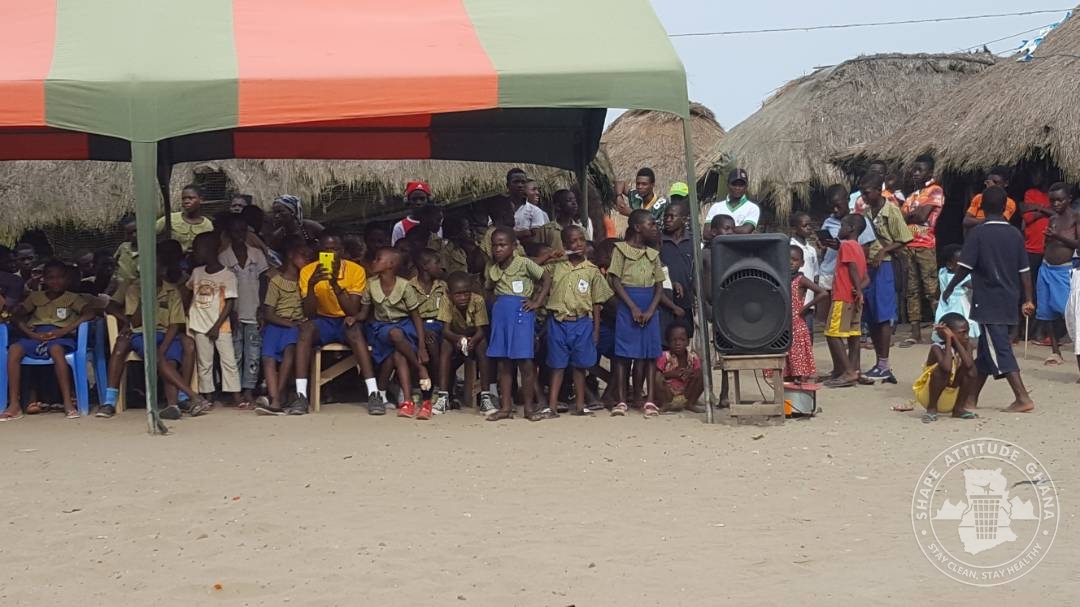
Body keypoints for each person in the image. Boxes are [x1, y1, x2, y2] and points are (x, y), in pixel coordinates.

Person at [942, 185, 1035, 413]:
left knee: (999, 348)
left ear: (982, 207)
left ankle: (1022, 397)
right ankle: (970, 399)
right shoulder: (1015, 234)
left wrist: (950, 287)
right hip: (1009, 298)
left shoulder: (979, 233)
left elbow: (965, 267)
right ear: (1005, 207)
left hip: (988, 300)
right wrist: (1028, 299)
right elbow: (1024, 270)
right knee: (985, 352)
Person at [99, 251, 208, 420]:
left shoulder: (172, 291)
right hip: (141, 334)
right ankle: (193, 396)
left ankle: (177, 402)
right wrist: (145, 297)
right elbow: (135, 323)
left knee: (169, 357)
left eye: (153, 266)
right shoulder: (134, 289)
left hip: (166, 334)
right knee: (154, 355)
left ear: (162, 269)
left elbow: (175, 324)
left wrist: (163, 348)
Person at [295, 232, 381, 414]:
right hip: (322, 321)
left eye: (334, 249)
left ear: (342, 251)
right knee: (305, 330)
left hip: (345, 320)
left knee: (355, 330)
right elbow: (309, 313)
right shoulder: (308, 271)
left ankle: (373, 393)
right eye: (326, 250)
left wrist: (334, 284)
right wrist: (311, 285)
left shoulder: (355, 270)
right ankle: (300, 395)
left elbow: (353, 311)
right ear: (319, 251)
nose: (330, 253)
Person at [0, 260, 94, 421]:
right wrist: (30, 334)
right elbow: (16, 316)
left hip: (61, 337)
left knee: (56, 350)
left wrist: (64, 330)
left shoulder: (73, 298)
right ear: (43, 279)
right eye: (51, 277)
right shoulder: (35, 297)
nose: (55, 281)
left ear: (67, 279)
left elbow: (89, 313)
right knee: (14, 349)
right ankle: (14, 404)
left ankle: (67, 402)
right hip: (36, 336)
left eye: (60, 277)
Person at [541, 225, 613, 418]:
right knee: (557, 365)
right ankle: (552, 407)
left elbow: (597, 303)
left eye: (581, 239)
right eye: (573, 241)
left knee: (580, 366)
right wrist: (550, 255)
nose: (579, 244)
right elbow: (530, 266)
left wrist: (595, 330)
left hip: (582, 323)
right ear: (565, 245)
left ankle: (580, 405)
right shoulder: (556, 266)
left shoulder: (592, 271)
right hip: (558, 322)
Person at [484, 227, 551, 421]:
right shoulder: (493, 268)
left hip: (521, 314)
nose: (498, 249)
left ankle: (529, 409)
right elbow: (488, 289)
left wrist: (537, 302)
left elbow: (546, 278)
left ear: (513, 246)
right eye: (495, 245)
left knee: (525, 362)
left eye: (502, 245)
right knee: (504, 363)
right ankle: (506, 407)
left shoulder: (524, 263)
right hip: (501, 316)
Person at [360, 248, 431, 419]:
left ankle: (407, 401)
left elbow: (416, 316)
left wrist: (421, 346)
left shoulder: (404, 286)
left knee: (398, 354)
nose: (374, 261)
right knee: (395, 334)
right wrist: (353, 318)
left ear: (390, 265)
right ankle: (420, 368)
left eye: (378, 259)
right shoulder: (371, 284)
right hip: (382, 327)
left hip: (405, 325)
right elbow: (364, 313)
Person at [609, 209, 665, 417]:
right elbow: (615, 280)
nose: (655, 228)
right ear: (637, 227)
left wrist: (651, 309)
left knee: (650, 354)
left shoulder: (653, 254)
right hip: (628, 304)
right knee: (623, 354)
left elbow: (659, 285)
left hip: (649, 304)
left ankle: (649, 400)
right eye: (651, 224)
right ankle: (622, 400)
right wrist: (632, 306)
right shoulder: (620, 250)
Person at [861, 174, 911, 383]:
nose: (864, 197)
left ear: (878, 190)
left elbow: (904, 238)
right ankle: (879, 362)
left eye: (867, 193)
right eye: (862, 193)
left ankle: (884, 363)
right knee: (871, 315)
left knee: (883, 315)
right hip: (869, 266)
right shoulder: (866, 213)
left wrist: (883, 251)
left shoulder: (891, 211)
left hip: (885, 266)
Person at [255, 238, 311, 416]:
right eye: (303, 255)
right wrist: (290, 323)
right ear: (290, 255)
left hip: (296, 325)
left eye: (309, 256)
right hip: (278, 323)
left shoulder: (306, 281)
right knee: (268, 357)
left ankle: (276, 399)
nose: (307, 259)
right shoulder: (276, 281)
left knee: (290, 351)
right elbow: (269, 313)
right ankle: (275, 398)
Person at [218, 215, 269, 408]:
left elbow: (263, 281)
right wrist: (229, 312)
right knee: (235, 354)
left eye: (242, 230)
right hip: (234, 313)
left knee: (253, 354)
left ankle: (249, 389)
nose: (239, 234)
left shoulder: (256, 254)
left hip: (254, 310)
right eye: (235, 231)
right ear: (228, 233)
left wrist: (262, 308)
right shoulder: (224, 257)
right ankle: (236, 391)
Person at [187, 233, 242, 406]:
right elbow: (189, 291)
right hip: (199, 324)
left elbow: (230, 303)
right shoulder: (197, 272)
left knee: (228, 361)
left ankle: (236, 396)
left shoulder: (228, 275)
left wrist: (216, 326)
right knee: (205, 363)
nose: (195, 252)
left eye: (198, 249)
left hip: (220, 325)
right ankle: (208, 396)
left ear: (211, 250)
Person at [437, 272, 495, 415]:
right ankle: (443, 397)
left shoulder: (478, 300)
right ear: (449, 294)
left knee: (483, 345)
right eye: (458, 294)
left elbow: (481, 330)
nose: (463, 298)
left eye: (466, 293)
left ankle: (485, 397)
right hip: (454, 337)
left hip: (474, 337)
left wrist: (472, 341)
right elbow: (445, 331)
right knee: (445, 345)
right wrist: (458, 338)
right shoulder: (446, 300)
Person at [900, 155, 944, 346]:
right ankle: (915, 332)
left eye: (920, 170)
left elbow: (921, 216)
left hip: (925, 245)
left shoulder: (935, 190)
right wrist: (912, 215)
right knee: (911, 290)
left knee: (931, 289)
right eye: (914, 170)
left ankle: (941, 331)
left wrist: (910, 215)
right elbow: (902, 218)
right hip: (908, 245)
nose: (916, 173)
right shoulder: (911, 196)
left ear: (930, 172)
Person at [1035, 182, 1080, 365]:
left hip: (1064, 270)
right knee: (1046, 312)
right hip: (1046, 268)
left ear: (1069, 199)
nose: (1055, 204)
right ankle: (1055, 351)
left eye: (1060, 200)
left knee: (1068, 311)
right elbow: (1048, 242)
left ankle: (1076, 349)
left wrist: (1058, 237)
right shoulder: (1052, 218)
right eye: (1052, 200)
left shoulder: (1076, 218)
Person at [823, 214, 869, 388]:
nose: (839, 229)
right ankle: (853, 369)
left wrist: (856, 288)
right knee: (853, 334)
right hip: (855, 298)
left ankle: (847, 371)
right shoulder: (859, 248)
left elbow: (852, 268)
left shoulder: (847, 245)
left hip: (843, 296)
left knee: (832, 333)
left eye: (842, 226)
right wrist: (860, 290)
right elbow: (866, 278)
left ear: (851, 228)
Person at [914, 313, 977, 422]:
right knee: (941, 371)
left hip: (950, 395)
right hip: (928, 395)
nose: (967, 336)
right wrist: (949, 339)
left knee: (971, 371)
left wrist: (955, 340)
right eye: (962, 333)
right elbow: (947, 367)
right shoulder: (936, 348)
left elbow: (968, 365)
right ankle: (931, 409)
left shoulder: (967, 345)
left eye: (967, 332)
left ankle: (958, 408)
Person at [782, 245, 829, 382]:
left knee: (798, 359)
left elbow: (823, 293)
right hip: (783, 325)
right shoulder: (781, 278)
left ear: (802, 263)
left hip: (796, 325)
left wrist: (805, 308)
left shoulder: (801, 279)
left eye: (795, 260)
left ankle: (800, 383)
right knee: (785, 359)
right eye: (788, 259)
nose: (791, 262)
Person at [410, 249, 449, 412]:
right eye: (437, 263)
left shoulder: (442, 286)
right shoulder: (409, 286)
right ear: (425, 266)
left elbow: (447, 312)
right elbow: (409, 314)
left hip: (439, 324)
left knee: (436, 344)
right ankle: (418, 387)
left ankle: (437, 387)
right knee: (421, 345)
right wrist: (424, 330)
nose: (441, 267)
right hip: (416, 325)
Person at [1022, 166, 1052, 344]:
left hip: (1047, 250)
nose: (1035, 176)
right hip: (1031, 249)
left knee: (1044, 292)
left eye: (1038, 172)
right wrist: (1046, 210)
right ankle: (1023, 330)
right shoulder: (1030, 192)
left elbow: (1057, 213)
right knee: (1028, 290)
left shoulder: (1052, 195)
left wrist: (1037, 208)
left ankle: (1040, 331)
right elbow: (1027, 217)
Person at [934, 244, 979, 343]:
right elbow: (976, 286)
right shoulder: (962, 277)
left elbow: (938, 289)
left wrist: (937, 298)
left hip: (944, 305)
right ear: (950, 265)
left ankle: (945, 336)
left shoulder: (942, 272)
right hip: (960, 305)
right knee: (962, 322)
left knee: (945, 321)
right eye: (961, 263)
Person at [655, 324, 704, 413]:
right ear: (668, 342)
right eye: (673, 340)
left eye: (682, 340)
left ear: (688, 342)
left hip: (686, 393)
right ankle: (665, 404)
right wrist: (673, 374)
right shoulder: (664, 356)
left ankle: (690, 403)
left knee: (702, 374)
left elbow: (697, 373)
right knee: (657, 377)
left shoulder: (693, 357)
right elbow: (658, 375)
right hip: (668, 394)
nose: (678, 343)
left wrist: (690, 373)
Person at [157, 184, 215, 252]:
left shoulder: (208, 226)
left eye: (191, 198)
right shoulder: (170, 219)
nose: (186, 201)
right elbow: (150, 233)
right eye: (183, 199)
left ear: (201, 200)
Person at [789, 211, 820, 338]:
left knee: (808, 331)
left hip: (808, 301)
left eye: (810, 225)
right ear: (795, 228)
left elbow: (815, 274)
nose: (809, 228)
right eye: (804, 225)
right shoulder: (790, 247)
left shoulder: (811, 249)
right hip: (794, 300)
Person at [704, 169, 759, 234]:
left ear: (746, 187)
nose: (737, 188)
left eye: (741, 185)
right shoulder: (716, 207)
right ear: (728, 185)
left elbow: (745, 230)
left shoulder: (752, 208)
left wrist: (721, 230)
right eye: (734, 184)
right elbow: (706, 233)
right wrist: (732, 230)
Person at [504, 168, 549, 236]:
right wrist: (526, 233)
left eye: (523, 182)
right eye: (516, 182)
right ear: (507, 185)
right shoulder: (498, 208)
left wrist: (507, 234)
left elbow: (537, 235)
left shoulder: (535, 211)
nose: (520, 185)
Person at [114, 217, 139, 287]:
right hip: (120, 286)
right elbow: (114, 262)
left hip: (136, 288)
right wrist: (115, 276)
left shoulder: (148, 250)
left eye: (136, 231)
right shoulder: (123, 247)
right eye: (130, 233)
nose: (134, 235)